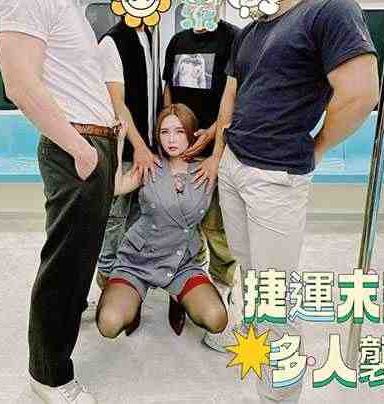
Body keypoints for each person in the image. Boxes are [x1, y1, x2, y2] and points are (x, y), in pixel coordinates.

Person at [194, 0, 380, 401]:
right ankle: (253, 337)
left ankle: (278, 395)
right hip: (235, 164)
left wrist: (318, 146)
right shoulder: (251, 32)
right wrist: (220, 155)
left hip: (275, 176)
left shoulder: (328, 11)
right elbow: (231, 96)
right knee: (249, 270)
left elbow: (361, 94)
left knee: (274, 294)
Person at [0, 1, 121, 402]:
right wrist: (81, 150)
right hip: (77, 146)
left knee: (78, 262)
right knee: (65, 266)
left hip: (94, 143)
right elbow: (19, 85)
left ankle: (64, 322)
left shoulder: (71, 10)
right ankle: (48, 375)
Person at [96, 104, 228, 339]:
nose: (172, 139)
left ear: (192, 133)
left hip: (182, 263)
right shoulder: (150, 164)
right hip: (137, 260)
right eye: (165, 132)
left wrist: (216, 154)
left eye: (179, 131)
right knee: (109, 323)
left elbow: (231, 122)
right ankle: (134, 298)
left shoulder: (207, 169)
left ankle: (178, 297)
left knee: (216, 318)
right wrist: (120, 142)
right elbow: (116, 188)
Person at [162, 6, 241, 352]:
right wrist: (169, 136)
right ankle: (179, 291)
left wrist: (213, 141)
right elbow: (169, 91)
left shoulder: (234, 38)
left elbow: (236, 97)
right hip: (179, 151)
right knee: (179, 224)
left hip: (215, 153)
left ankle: (222, 288)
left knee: (216, 227)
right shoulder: (177, 41)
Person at [93, 20, 162, 319]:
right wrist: (141, 146)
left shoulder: (150, 35)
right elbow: (116, 104)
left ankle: (128, 288)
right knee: (113, 222)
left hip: (147, 151)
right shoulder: (112, 42)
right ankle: (107, 290)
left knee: (137, 222)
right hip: (124, 152)